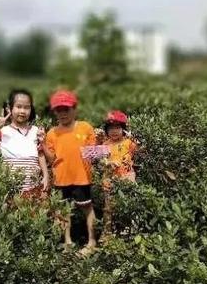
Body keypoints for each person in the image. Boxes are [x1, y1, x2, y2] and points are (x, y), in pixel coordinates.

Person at [38, 90, 97, 255]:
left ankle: (91, 242)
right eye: (59, 109)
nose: (62, 113)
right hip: (60, 179)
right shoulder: (51, 133)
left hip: (82, 178)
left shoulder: (85, 128)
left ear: (75, 109)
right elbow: (51, 159)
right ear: (54, 111)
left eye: (66, 109)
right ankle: (67, 242)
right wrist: (42, 144)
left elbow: (93, 153)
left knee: (87, 209)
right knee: (63, 211)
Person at [0, 89, 49, 200]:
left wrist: (46, 176)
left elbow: (40, 155)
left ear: (31, 109)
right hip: (11, 191)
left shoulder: (36, 131)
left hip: (35, 190)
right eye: (18, 107)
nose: (22, 111)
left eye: (26, 107)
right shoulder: (4, 132)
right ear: (9, 109)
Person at [96, 110, 138, 240]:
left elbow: (140, 150)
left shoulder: (128, 143)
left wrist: (132, 136)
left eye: (117, 128)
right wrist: (108, 163)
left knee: (128, 204)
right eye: (111, 128)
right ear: (107, 130)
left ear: (123, 129)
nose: (114, 131)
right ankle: (108, 232)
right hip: (109, 179)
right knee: (109, 207)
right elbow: (99, 161)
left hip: (126, 177)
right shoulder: (105, 144)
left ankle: (131, 231)